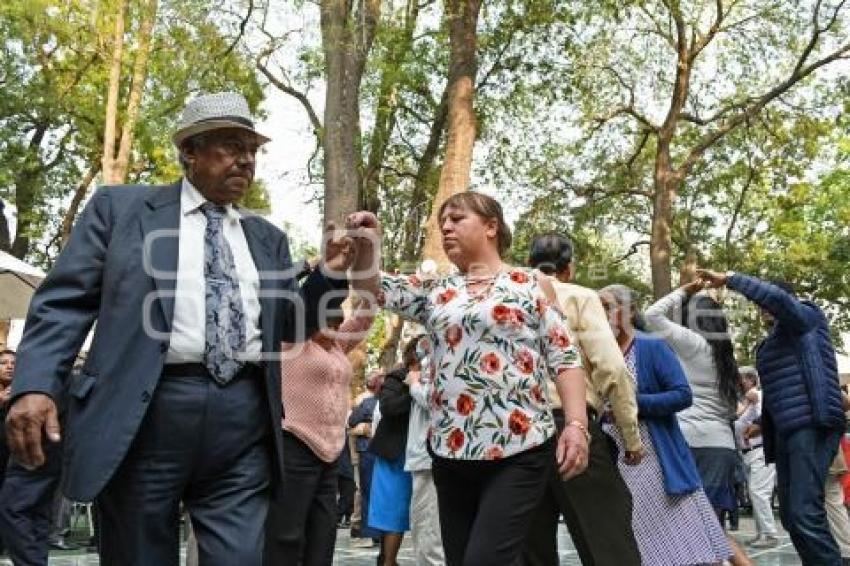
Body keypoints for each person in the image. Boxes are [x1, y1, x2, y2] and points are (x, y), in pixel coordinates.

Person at [5, 92, 367, 566]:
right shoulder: (121, 211)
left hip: (244, 419)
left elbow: (291, 326)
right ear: (190, 151)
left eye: (252, 149)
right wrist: (35, 384)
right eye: (230, 145)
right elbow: (63, 303)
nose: (245, 159)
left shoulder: (267, 239)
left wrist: (331, 277)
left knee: (239, 557)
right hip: (145, 412)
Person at [378, 191, 589, 565]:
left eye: (457, 218)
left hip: (519, 447)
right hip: (449, 451)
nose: (445, 227)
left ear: (491, 226)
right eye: (443, 221)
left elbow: (565, 357)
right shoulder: (438, 290)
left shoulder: (531, 284)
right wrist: (365, 244)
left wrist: (576, 424)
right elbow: (374, 287)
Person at [698, 269, 846, 565]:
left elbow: (777, 300)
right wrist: (762, 428)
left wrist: (729, 279)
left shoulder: (805, 317)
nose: (761, 308)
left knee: (805, 512)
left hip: (811, 425)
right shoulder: (772, 342)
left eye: (766, 302)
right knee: (792, 516)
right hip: (787, 433)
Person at [522, 233, 642, 566]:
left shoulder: (509, 294)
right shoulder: (581, 297)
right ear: (569, 268)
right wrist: (631, 438)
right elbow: (612, 368)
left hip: (516, 436)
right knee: (608, 546)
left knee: (530, 553)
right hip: (571, 427)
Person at [597, 285, 734, 565]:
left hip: (658, 459)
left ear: (629, 311)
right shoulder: (599, 353)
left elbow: (682, 395)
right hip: (618, 461)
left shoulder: (651, 346)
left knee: (687, 541)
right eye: (597, 309)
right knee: (638, 542)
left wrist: (634, 404)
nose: (602, 315)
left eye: (608, 307)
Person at [264, 292, 375, 565]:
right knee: (286, 535)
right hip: (294, 444)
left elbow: (361, 323)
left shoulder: (335, 346)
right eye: (327, 325)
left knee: (323, 534)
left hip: (330, 454)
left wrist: (370, 291)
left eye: (337, 326)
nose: (334, 332)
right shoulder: (289, 343)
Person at [644, 281, 750, 562]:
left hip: (691, 445)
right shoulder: (726, 358)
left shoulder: (692, 344)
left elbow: (652, 315)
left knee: (699, 532)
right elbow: (730, 411)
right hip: (721, 449)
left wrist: (685, 291)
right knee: (711, 531)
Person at [368, 338, 418, 566]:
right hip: (396, 455)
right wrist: (413, 388)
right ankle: (388, 561)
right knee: (393, 511)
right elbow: (389, 407)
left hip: (422, 455)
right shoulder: (396, 378)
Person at [404, 335, 445, 566]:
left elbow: (432, 400)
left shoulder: (435, 360)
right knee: (426, 527)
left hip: (428, 456)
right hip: (426, 456)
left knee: (428, 530)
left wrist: (414, 385)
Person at [734, 367, 778, 549]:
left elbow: (758, 403)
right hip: (748, 454)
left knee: (759, 492)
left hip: (760, 451)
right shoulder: (743, 402)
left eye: (741, 379)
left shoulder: (755, 394)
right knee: (756, 493)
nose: (738, 382)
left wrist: (749, 400)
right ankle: (762, 533)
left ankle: (770, 534)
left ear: (751, 380)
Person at [348, 372, 384, 548]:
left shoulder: (367, 403)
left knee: (367, 491)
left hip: (367, 451)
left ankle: (370, 534)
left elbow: (352, 420)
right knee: (382, 492)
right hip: (387, 452)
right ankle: (383, 532)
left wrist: (363, 425)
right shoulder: (392, 402)